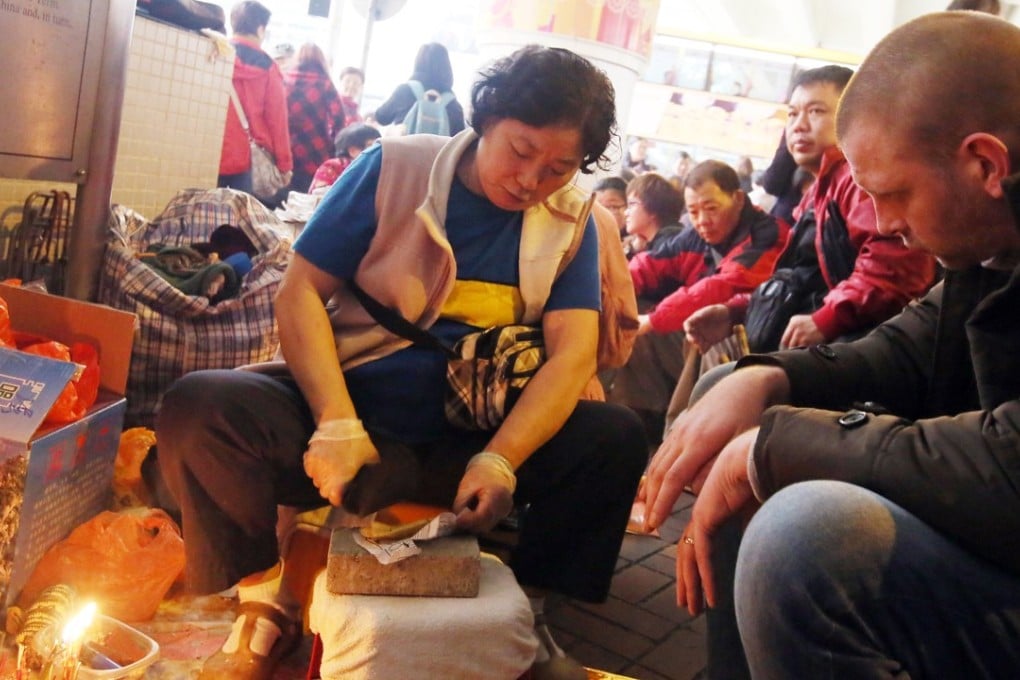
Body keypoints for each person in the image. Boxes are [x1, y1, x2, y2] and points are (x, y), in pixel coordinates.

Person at [157, 44, 646, 680]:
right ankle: (260, 602)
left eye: (560, 167)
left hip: (468, 447)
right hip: (353, 433)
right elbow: (301, 290)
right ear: (484, 120)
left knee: (614, 437)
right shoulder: (391, 167)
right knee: (202, 406)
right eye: (521, 152)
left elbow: (573, 353)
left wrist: (502, 459)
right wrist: (334, 420)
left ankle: (527, 616)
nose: (532, 181)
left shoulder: (575, 220)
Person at [644, 11, 1020, 678]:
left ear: (985, 163)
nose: (884, 224)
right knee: (731, 396)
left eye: (894, 195)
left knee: (806, 538)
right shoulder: (988, 246)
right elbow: (907, 348)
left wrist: (776, 447)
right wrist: (768, 382)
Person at [683, 65, 937, 357]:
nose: (798, 126)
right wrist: (736, 311)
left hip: (862, 347)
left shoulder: (860, 181)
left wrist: (826, 319)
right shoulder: (820, 190)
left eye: (816, 112)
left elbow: (893, 271)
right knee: (710, 352)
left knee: (725, 378)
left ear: (854, 118)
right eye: (792, 114)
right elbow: (802, 278)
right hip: (833, 335)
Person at [608, 162, 787, 441]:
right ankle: (639, 427)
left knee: (703, 329)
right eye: (693, 212)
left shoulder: (767, 234)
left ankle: (677, 440)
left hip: (753, 343)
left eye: (711, 208)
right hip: (692, 338)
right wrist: (605, 285)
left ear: (739, 199)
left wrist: (653, 319)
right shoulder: (695, 235)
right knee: (632, 314)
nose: (702, 219)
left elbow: (723, 287)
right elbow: (652, 265)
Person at [217, 1, 292, 198]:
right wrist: (284, 164)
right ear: (260, 29)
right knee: (236, 221)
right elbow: (277, 119)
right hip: (244, 159)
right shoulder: (268, 67)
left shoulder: (215, 53)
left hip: (208, 150)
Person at [283, 43, 346, 194]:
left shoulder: (285, 80)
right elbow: (338, 118)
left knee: (281, 200)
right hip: (316, 149)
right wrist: (332, 144)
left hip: (286, 149)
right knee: (305, 201)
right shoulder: (325, 83)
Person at [373, 42, 465, 135]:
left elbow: (381, 117)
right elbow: (460, 138)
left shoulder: (405, 91)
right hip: (439, 149)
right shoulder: (453, 104)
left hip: (403, 149)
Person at [308, 122, 381, 194]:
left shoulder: (379, 167)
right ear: (353, 151)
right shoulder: (332, 166)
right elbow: (319, 193)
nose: (378, 151)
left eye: (379, 146)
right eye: (372, 146)